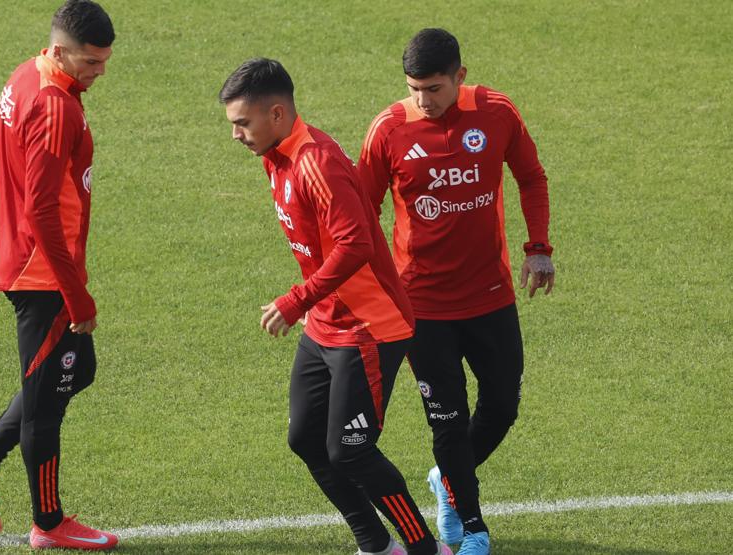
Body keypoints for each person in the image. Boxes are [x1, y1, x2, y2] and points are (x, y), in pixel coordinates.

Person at [220, 58, 453, 555]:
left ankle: (425, 549)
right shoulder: (275, 155)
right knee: (305, 439)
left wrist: (296, 299)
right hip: (326, 321)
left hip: (370, 326)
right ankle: (375, 543)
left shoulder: (316, 162)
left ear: (276, 113)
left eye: (242, 123)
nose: (236, 135)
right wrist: (313, 302)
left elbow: (355, 245)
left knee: (352, 450)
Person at [357, 28, 556, 554]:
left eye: (434, 88)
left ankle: (445, 479)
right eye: (414, 89)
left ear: (460, 77)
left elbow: (531, 177)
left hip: (491, 295)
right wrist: (366, 287)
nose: (423, 100)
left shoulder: (496, 112)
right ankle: (472, 528)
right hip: (422, 307)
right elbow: (359, 214)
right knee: (446, 420)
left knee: (502, 406)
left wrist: (538, 247)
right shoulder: (388, 129)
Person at [0, 1, 117, 550]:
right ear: (61, 51)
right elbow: (42, 211)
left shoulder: (27, 74)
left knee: (76, 371)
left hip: (30, 262)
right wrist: (77, 296)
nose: (100, 71)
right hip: (43, 275)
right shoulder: (54, 107)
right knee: (44, 405)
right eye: (91, 62)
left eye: (105, 60)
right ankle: (48, 523)